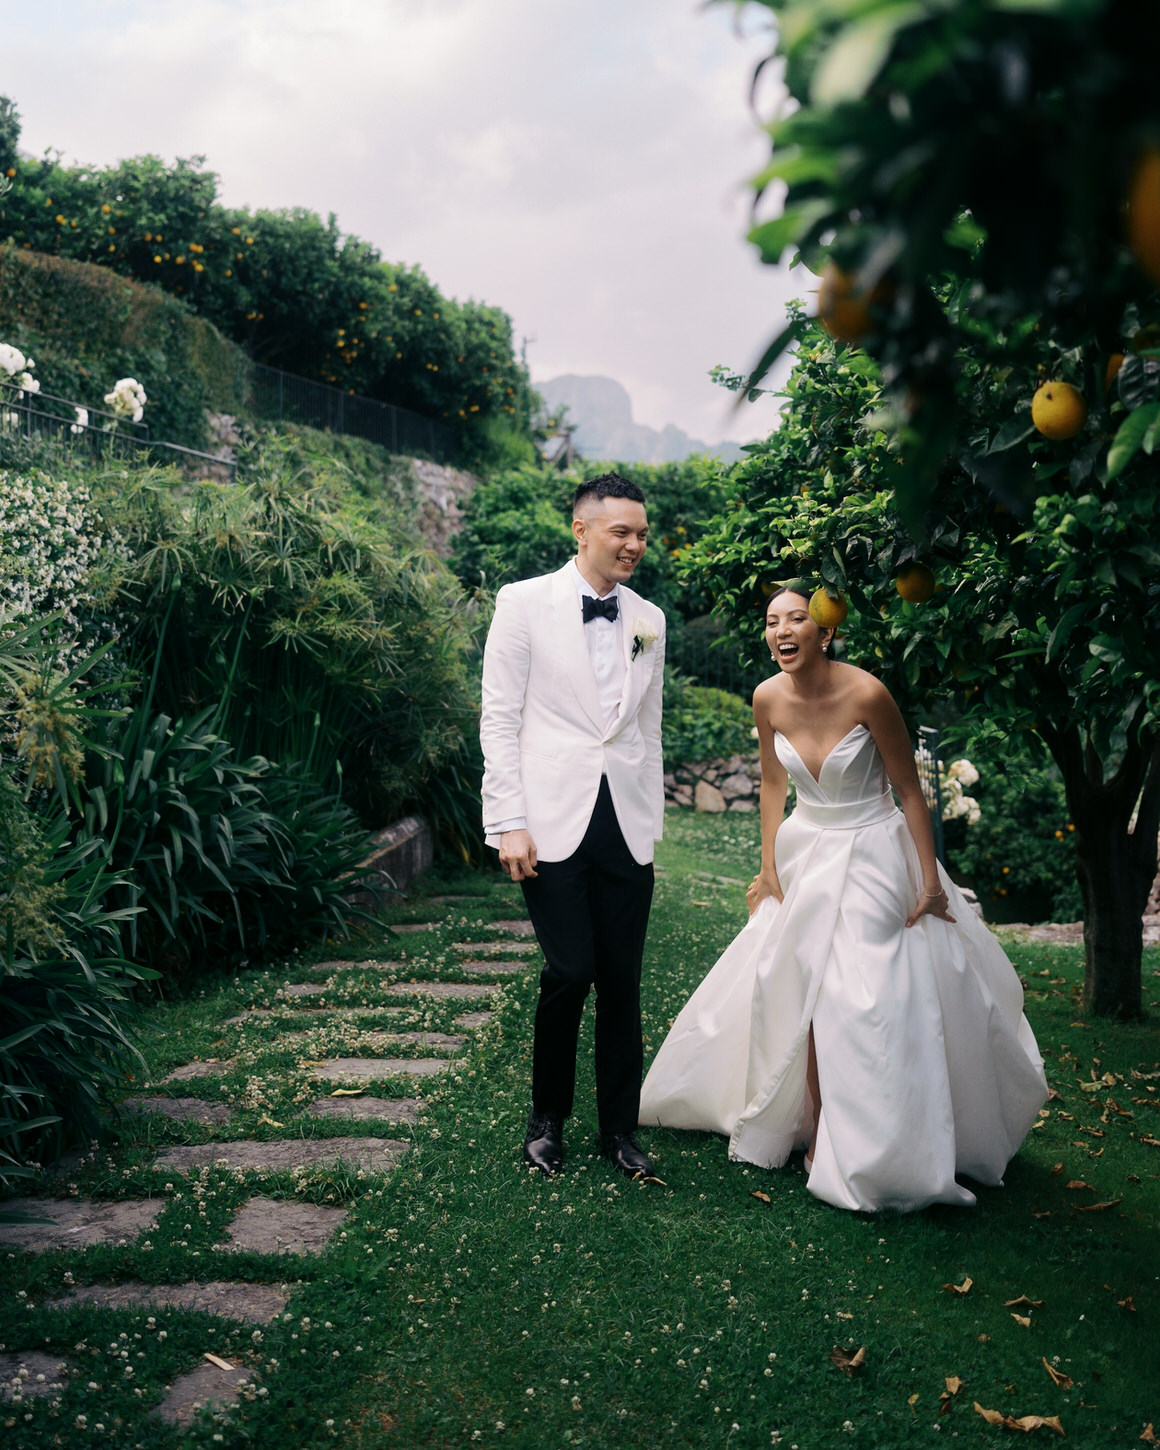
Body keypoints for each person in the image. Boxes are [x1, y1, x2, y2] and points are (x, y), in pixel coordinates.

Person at [639, 583, 1048, 1212]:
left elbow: (911, 792)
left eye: (797, 619)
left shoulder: (868, 693)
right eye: (772, 620)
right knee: (798, 986)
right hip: (808, 852)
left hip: (874, 853)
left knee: (866, 999)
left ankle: (886, 1136)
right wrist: (768, 867)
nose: (781, 631)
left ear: (824, 632)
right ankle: (819, 1123)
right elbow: (774, 785)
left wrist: (929, 881)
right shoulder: (766, 697)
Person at [480, 472, 666, 1179]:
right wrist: (509, 822)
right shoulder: (523, 603)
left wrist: (648, 828)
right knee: (571, 970)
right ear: (581, 530)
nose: (635, 544)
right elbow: (499, 716)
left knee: (622, 980)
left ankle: (620, 1131)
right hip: (549, 818)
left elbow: (646, 729)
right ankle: (546, 1119)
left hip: (625, 824)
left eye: (642, 533)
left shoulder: (649, 618)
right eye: (622, 531)